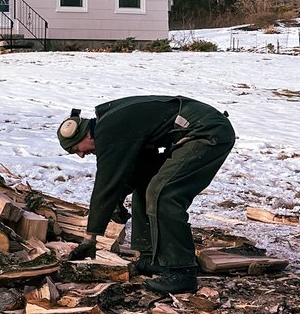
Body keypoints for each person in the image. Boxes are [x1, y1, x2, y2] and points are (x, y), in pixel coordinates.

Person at [55, 95, 235, 294]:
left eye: (75, 149)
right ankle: (151, 258)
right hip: (197, 131)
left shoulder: (108, 131)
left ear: (86, 136)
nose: (80, 155)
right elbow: (136, 170)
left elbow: (105, 184)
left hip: (207, 132)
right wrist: (118, 198)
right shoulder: (112, 125)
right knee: (147, 184)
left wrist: (90, 239)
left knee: (164, 195)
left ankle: (182, 271)